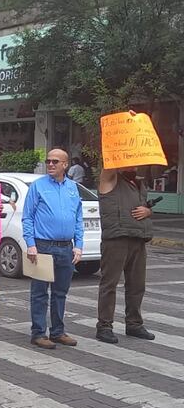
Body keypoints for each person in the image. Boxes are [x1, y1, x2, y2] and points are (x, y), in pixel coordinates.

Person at [23, 148, 83, 349]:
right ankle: (38, 332)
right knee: (39, 292)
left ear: (65, 165)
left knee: (61, 292)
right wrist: (31, 244)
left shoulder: (73, 187)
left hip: (66, 247)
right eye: (48, 161)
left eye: (55, 161)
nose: (50, 164)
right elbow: (28, 217)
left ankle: (57, 331)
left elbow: (78, 218)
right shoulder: (38, 186)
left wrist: (79, 245)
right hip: (43, 245)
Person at [95, 166, 155, 343]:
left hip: (138, 238)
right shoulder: (110, 179)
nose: (134, 163)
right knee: (109, 284)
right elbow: (107, 169)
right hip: (116, 239)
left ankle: (134, 324)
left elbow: (143, 208)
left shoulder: (138, 182)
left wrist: (148, 211)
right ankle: (104, 327)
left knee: (137, 285)